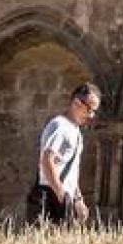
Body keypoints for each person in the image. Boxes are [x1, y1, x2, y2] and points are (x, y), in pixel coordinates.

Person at [27, 82, 99, 226]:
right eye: (90, 109)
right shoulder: (60, 126)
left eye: (94, 111)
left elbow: (70, 170)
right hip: (49, 196)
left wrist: (78, 199)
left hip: (64, 197)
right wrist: (61, 195)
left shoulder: (76, 132)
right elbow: (47, 160)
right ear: (77, 103)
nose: (91, 116)